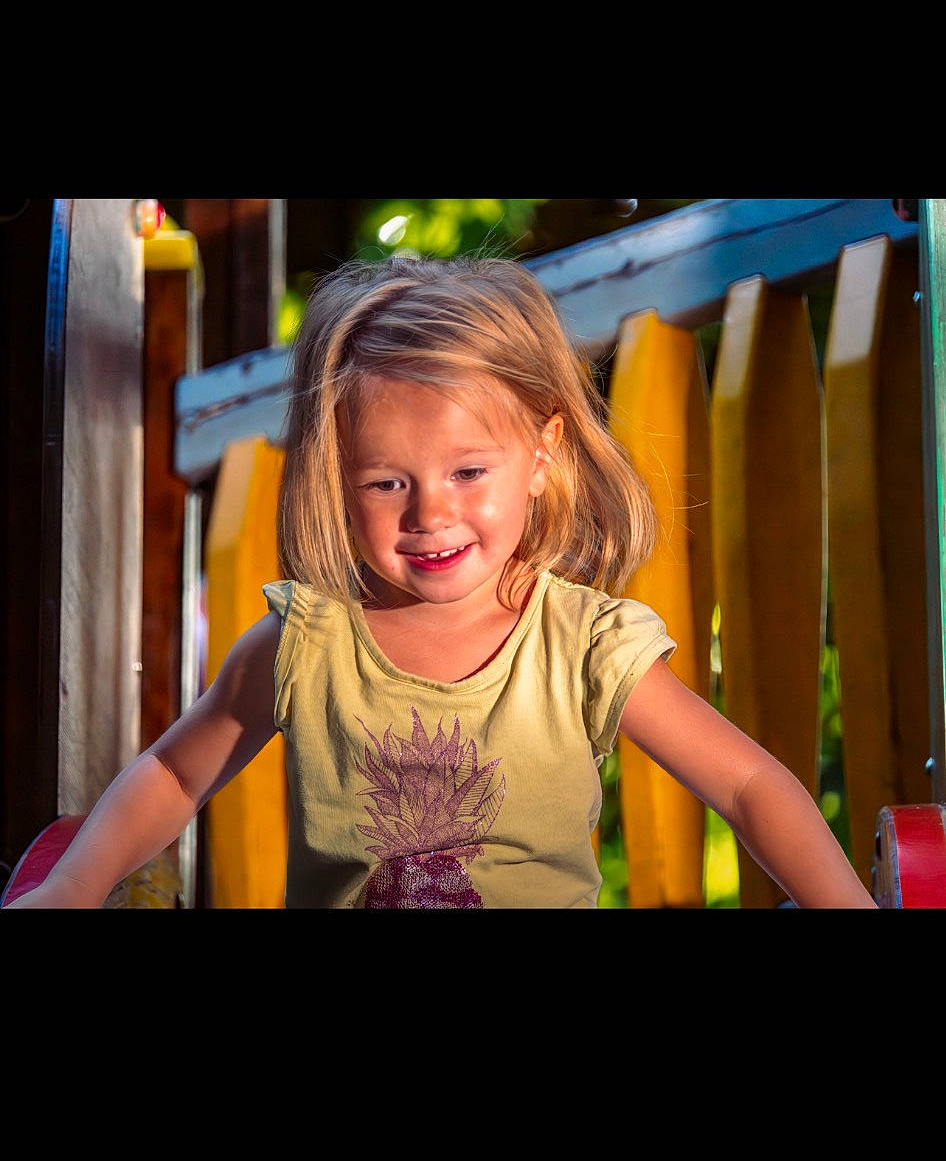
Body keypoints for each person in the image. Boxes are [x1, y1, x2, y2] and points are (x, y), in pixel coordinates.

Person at [7, 255, 876, 911]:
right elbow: (170, 776)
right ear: (332, 479)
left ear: (541, 458)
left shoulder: (582, 645)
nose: (431, 513)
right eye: (387, 483)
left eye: (467, 472)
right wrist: (72, 889)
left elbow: (749, 786)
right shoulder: (304, 645)